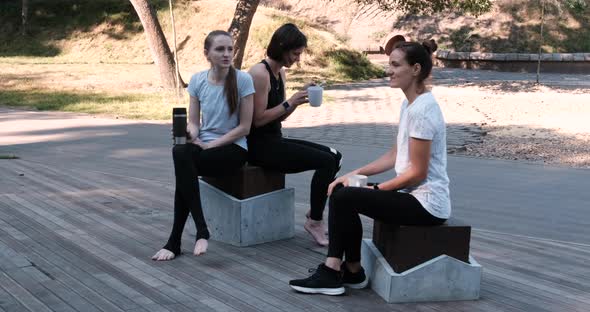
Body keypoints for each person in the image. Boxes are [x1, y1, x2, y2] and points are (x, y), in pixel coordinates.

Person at [289, 39, 450, 295]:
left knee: (347, 197)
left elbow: (417, 173)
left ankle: (334, 271)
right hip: (413, 196)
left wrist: (379, 189)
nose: (389, 71)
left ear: (416, 69)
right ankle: (352, 272)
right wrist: (354, 175)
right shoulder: (409, 105)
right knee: (342, 191)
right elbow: (395, 155)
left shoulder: (423, 111)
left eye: (396, 65)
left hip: (428, 204)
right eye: (390, 64)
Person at [152, 30, 255, 261]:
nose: (227, 53)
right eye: (220, 49)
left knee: (183, 167)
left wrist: (210, 146)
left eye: (229, 48)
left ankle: (178, 240)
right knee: (180, 151)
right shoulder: (198, 80)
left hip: (233, 149)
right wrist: (189, 133)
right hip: (203, 145)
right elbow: (195, 122)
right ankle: (197, 231)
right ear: (207, 53)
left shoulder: (243, 80)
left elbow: (245, 128)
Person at [247, 23, 342, 246]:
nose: (298, 59)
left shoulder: (279, 73)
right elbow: (257, 120)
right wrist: (290, 101)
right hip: (259, 147)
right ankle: (315, 221)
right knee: (326, 162)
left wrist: (297, 101)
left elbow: (279, 117)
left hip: (275, 139)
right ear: (282, 47)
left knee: (335, 156)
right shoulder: (259, 73)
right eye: (295, 53)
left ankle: (314, 213)